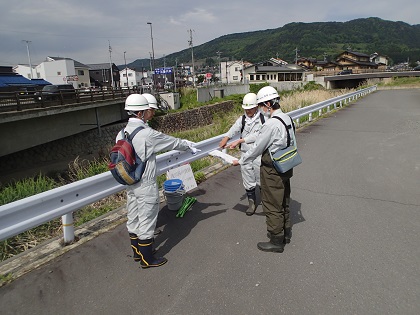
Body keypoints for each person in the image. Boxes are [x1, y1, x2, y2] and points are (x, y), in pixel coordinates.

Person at [118, 93, 197, 268]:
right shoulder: (147, 134)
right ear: (140, 113)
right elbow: (172, 142)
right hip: (145, 184)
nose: (149, 113)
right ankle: (148, 259)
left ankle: (137, 253)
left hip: (130, 183)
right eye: (147, 110)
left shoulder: (121, 133)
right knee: (147, 219)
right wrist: (187, 144)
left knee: (134, 218)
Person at [232, 86, 295, 253]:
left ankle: (276, 241)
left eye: (260, 105)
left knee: (272, 204)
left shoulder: (271, 124)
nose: (260, 109)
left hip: (272, 169)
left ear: (268, 103)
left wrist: (241, 160)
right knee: (284, 201)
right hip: (286, 165)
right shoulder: (287, 118)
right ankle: (286, 233)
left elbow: (257, 148)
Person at [219, 93, 265, 216]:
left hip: (258, 154)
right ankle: (252, 203)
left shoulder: (263, 118)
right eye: (246, 108)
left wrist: (241, 140)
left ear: (256, 107)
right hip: (245, 153)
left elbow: (259, 135)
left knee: (261, 178)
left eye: (250, 108)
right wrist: (226, 137)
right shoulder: (243, 119)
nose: (248, 111)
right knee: (247, 178)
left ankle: (266, 201)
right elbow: (234, 128)